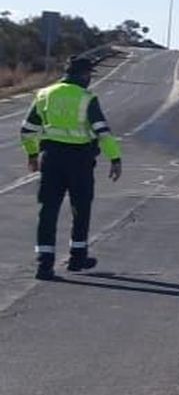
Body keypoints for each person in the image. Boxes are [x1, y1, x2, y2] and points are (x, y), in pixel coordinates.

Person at [18, 54, 122, 280]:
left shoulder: (44, 95)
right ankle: (77, 258)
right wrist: (115, 159)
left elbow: (26, 130)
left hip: (51, 159)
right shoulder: (87, 98)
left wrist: (32, 155)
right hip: (80, 161)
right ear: (84, 76)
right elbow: (102, 132)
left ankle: (44, 264)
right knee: (80, 209)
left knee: (48, 210)